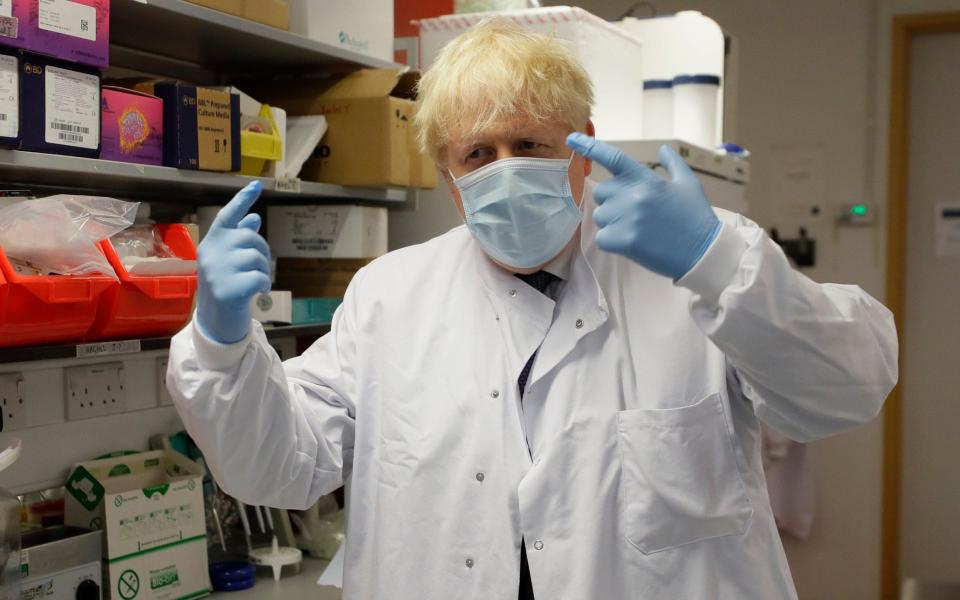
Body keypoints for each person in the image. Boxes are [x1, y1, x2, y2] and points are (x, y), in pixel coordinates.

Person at [167, 19, 898, 600]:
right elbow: (278, 469)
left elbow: (846, 387)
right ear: (450, 182)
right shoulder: (390, 297)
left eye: (531, 144)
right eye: (478, 153)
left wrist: (712, 259)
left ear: (584, 154)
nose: (506, 169)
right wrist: (223, 341)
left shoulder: (694, 268)